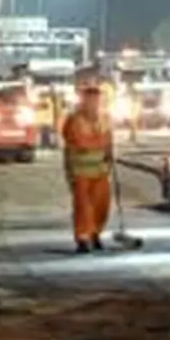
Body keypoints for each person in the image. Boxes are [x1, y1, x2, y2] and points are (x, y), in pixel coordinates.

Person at [61, 83, 113, 253]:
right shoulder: (74, 120)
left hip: (100, 170)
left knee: (101, 205)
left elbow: (108, 139)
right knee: (83, 206)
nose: (94, 104)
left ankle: (95, 233)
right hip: (80, 171)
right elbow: (81, 143)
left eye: (96, 100)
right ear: (84, 101)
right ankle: (83, 237)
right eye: (90, 100)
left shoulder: (104, 119)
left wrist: (109, 152)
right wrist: (99, 143)